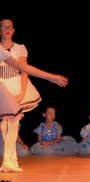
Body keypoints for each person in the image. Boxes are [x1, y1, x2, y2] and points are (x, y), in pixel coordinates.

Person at [0, 27, 68, 172]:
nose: (7, 29)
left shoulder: (16, 49)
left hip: (14, 85)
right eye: (3, 27)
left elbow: (23, 68)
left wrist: (24, 90)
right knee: (3, 126)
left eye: (9, 27)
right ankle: (8, 160)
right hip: (2, 87)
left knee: (12, 124)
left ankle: (9, 161)